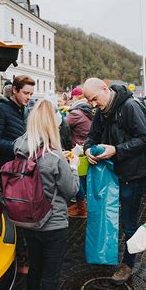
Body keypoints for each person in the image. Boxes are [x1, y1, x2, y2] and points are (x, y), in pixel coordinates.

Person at [83, 78, 146, 284]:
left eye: (95, 99)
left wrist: (117, 150)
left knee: (128, 223)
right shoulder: (100, 113)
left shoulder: (130, 107)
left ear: (105, 89)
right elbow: (91, 137)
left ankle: (128, 264)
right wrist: (87, 149)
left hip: (133, 175)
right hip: (111, 174)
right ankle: (106, 254)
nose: (94, 105)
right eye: (90, 102)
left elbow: (144, 139)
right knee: (106, 215)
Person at [13, 99, 79, 290]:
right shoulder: (54, 156)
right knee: (49, 279)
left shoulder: (19, 147)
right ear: (52, 124)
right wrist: (75, 167)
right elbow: (71, 191)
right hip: (54, 224)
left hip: (28, 221)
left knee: (35, 271)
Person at [0, 75, 34, 172]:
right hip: (8, 168)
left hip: (23, 166)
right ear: (15, 90)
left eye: (31, 94)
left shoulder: (25, 110)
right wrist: (17, 147)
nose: (29, 97)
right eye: (26, 93)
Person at [65, 89, 93, 218]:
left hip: (77, 151)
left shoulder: (76, 113)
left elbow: (61, 125)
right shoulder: (88, 112)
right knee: (84, 179)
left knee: (78, 179)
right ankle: (82, 206)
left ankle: (82, 209)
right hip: (86, 150)